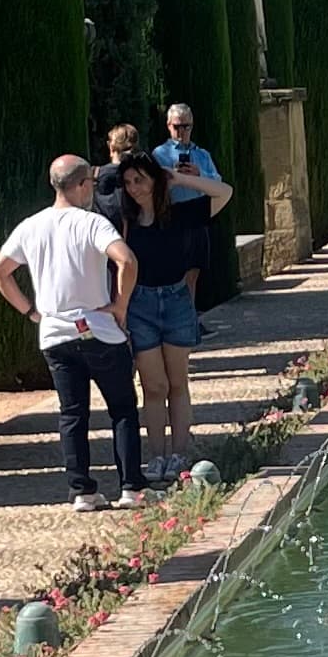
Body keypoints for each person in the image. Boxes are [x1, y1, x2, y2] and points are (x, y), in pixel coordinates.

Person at [0, 155, 144, 513]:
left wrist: (30, 311)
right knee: (122, 408)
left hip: (55, 333)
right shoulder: (92, 224)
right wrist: (120, 305)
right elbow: (127, 261)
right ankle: (132, 487)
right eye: (89, 182)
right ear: (79, 185)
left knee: (72, 413)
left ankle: (82, 491)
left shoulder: (31, 226)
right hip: (99, 328)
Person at [106, 148, 207, 480]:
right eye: (129, 181)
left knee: (178, 383)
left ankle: (179, 455)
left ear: (155, 179)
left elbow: (224, 193)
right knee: (152, 385)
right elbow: (99, 186)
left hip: (176, 301)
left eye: (141, 179)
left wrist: (178, 178)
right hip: (141, 305)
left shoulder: (178, 213)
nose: (135, 188)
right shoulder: (124, 222)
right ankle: (157, 456)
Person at [152, 100, 233, 303]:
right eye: (177, 126)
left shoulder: (202, 155)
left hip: (198, 213)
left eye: (186, 126)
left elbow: (218, 182)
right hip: (174, 213)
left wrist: (199, 174)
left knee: (194, 269)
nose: (181, 131)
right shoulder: (159, 154)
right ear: (168, 125)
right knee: (177, 268)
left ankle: (191, 315)